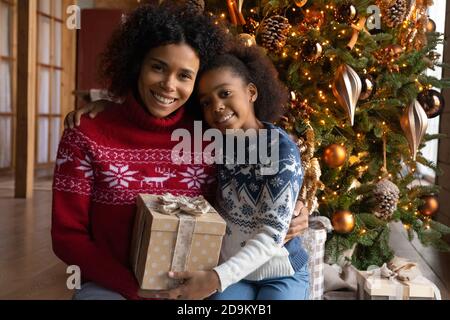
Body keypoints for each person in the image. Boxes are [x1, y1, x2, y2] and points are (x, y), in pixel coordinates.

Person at [59, 4, 309, 300]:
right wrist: (133, 288)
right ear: (136, 64)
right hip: (113, 285)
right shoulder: (86, 133)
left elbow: (267, 175)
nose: (169, 85)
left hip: (190, 284)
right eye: (158, 67)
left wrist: (299, 210)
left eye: (184, 75)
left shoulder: (210, 137)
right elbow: (67, 237)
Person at [147, 44, 309, 300]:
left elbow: (271, 236)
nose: (217, 106)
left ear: (251, 92)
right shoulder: (214, 143)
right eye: (207, 102)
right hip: (233, 271)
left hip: (280, 270)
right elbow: (158, 120)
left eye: (225, 93)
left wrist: (215, 279)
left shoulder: (281, 151)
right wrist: (102, 107)